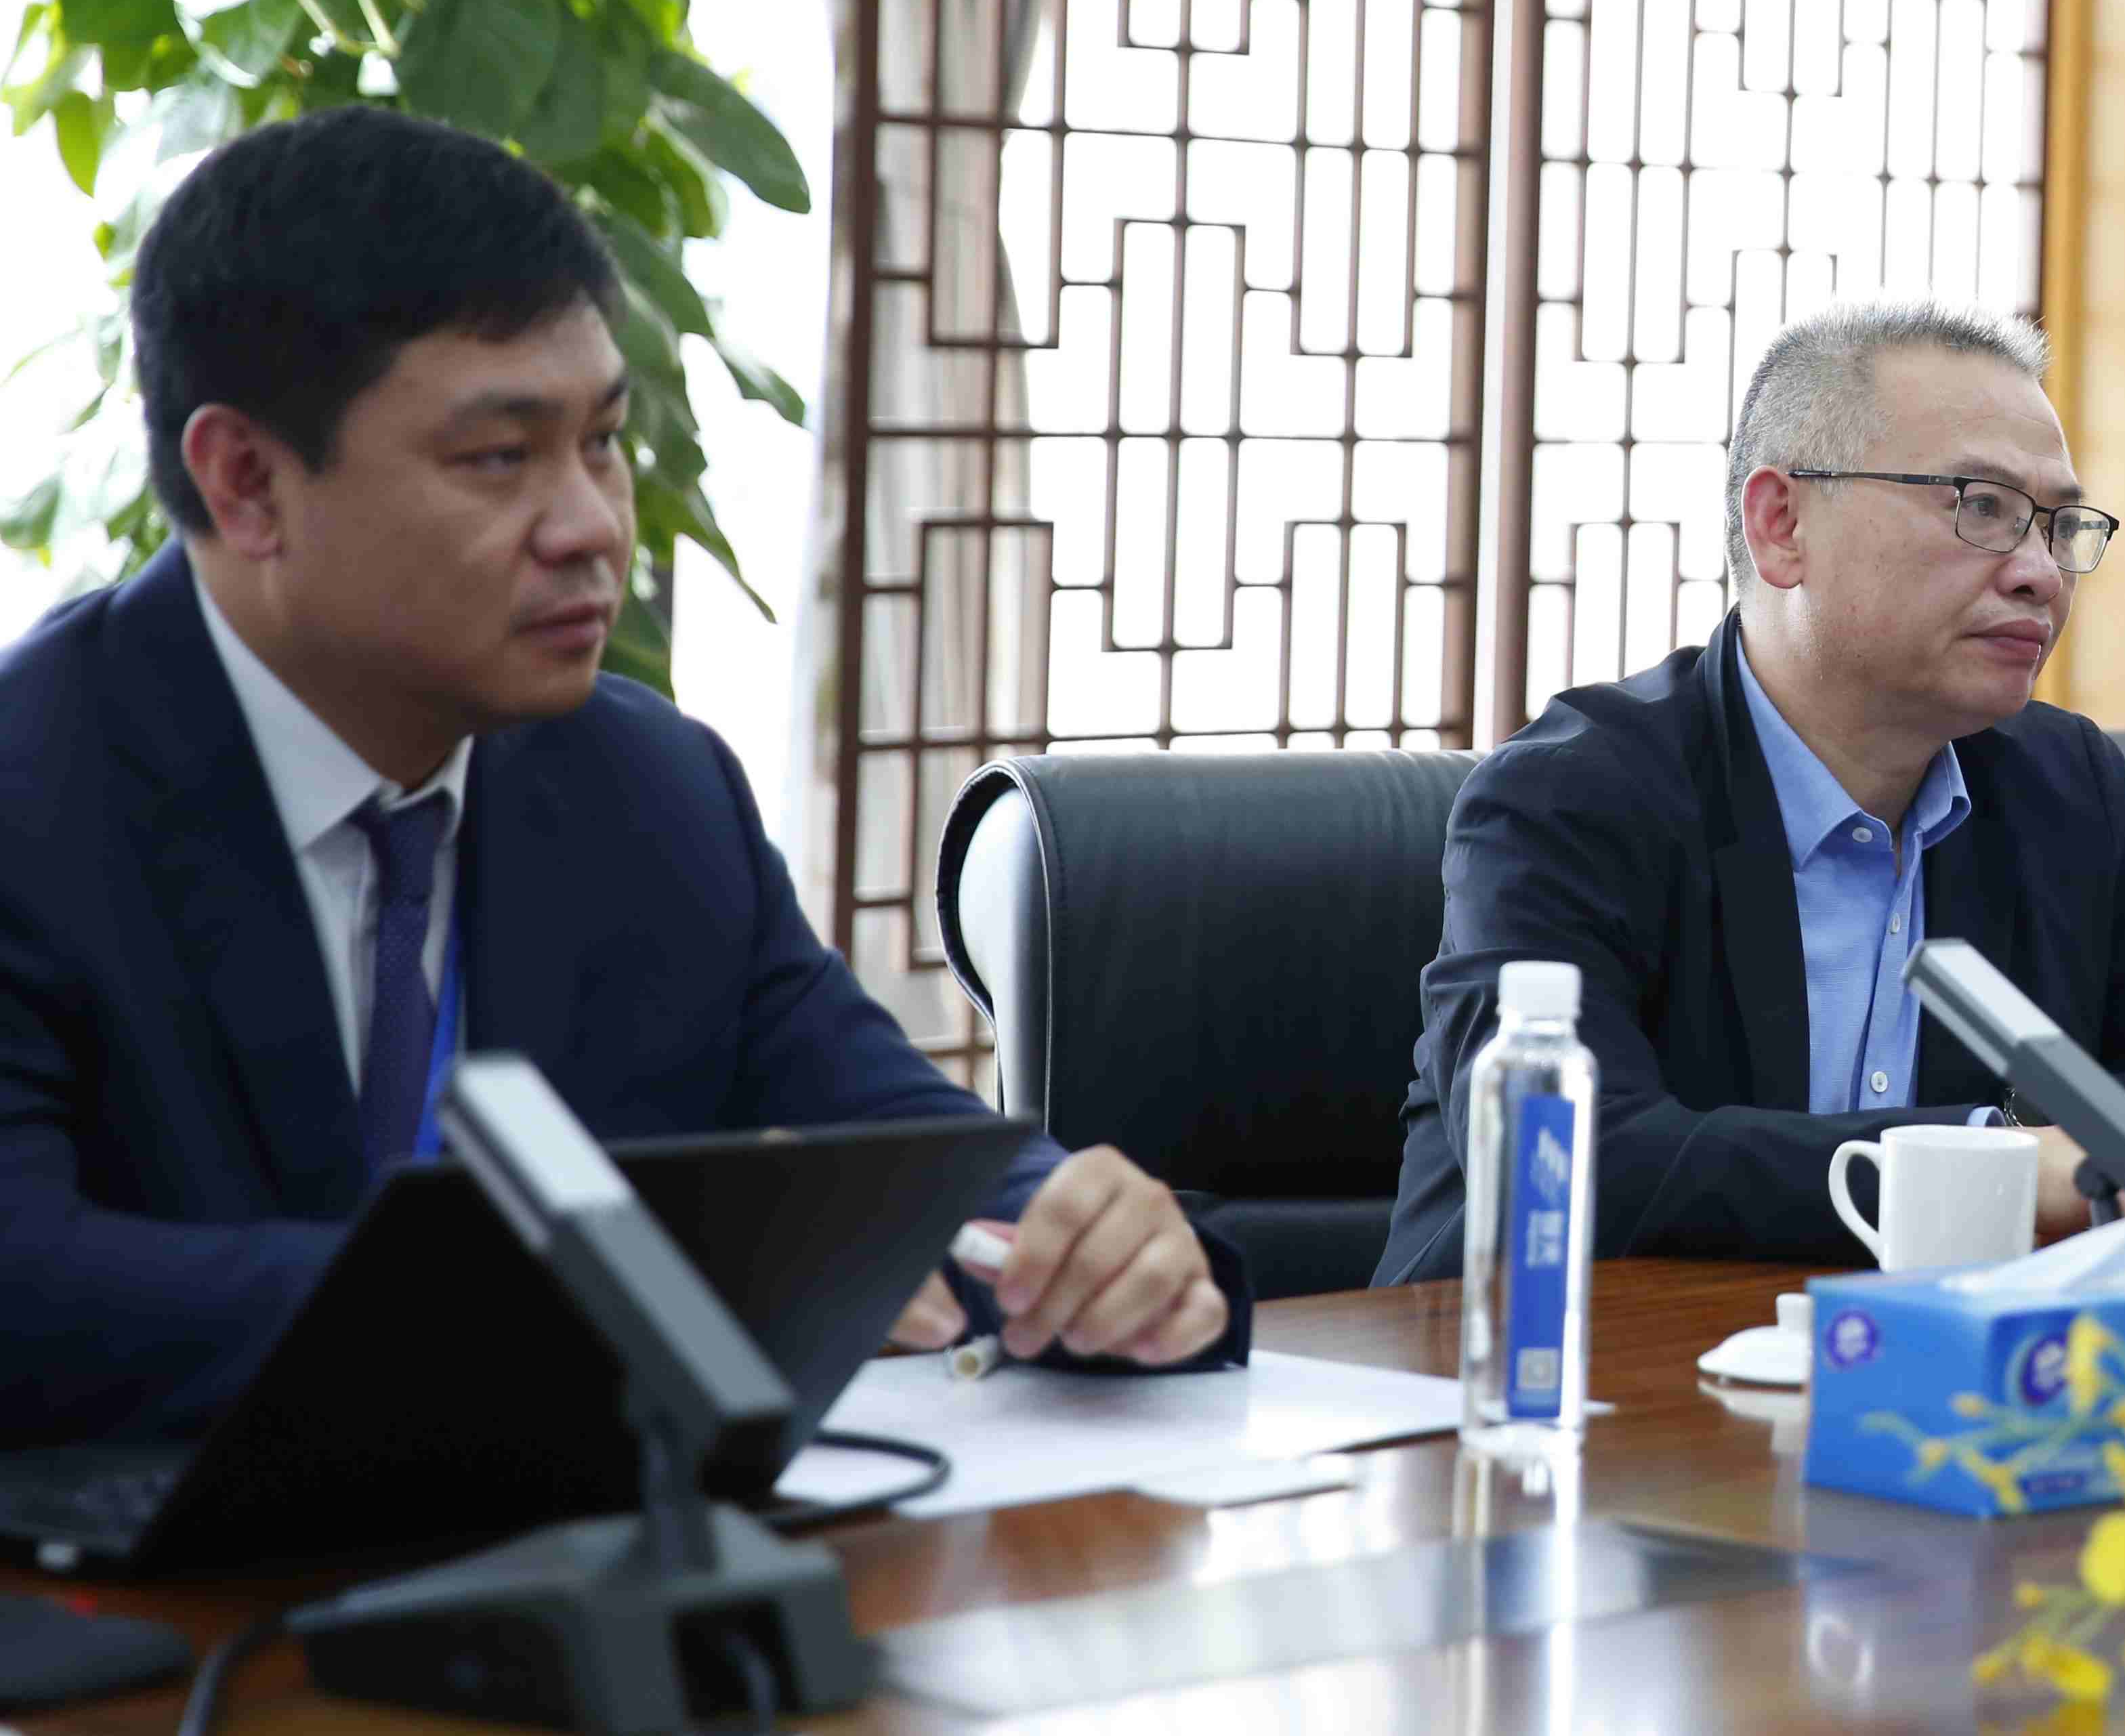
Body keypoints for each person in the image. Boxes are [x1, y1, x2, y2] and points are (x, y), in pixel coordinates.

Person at [0, 107, 1242, 1447]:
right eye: (499, 458)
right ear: (247, 482)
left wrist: (1100, 1247)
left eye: (601, 441)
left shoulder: (646, 790)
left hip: (592, 1559)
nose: (594, 526)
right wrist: (603, 1297)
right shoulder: (35, 792)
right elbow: (29, 1290)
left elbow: (900, 1168)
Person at [1375, 305, 2125, 1282]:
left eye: (2058, 524)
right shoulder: (1572, 796)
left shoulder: (2064, 790)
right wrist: (2016, 1165)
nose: (2041, 574)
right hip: (1552, 1373)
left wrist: (2061, 1147)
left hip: (1936, 1376)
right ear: (1782, 525)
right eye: (1982, 507)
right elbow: (1565, 1155)